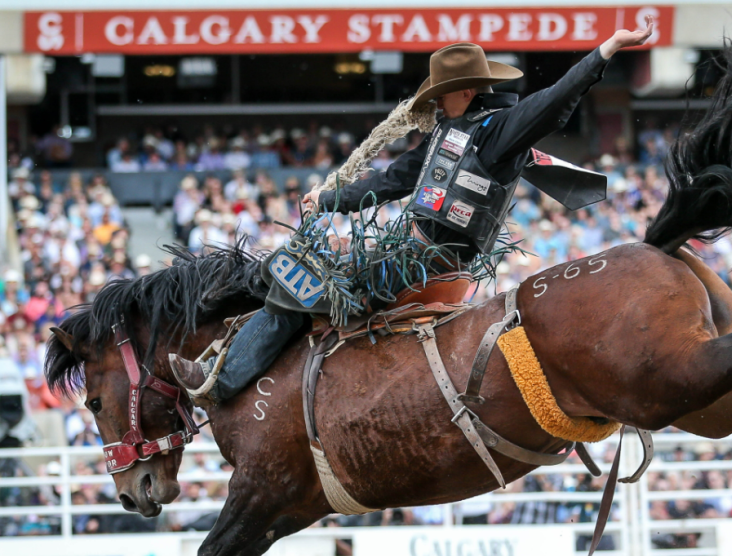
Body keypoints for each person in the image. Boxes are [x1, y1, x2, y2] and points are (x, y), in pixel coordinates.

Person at [170, 19, 657, 403]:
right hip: (411, 249)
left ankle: (221, 381)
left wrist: (605, 51)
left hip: (425, 257)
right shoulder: (444, 135)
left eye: (442, 93)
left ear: (466, 90)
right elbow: (391, 181)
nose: (435, 102)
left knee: (294, 272)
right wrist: (329, 198)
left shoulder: (496, 134)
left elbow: (551, 104)